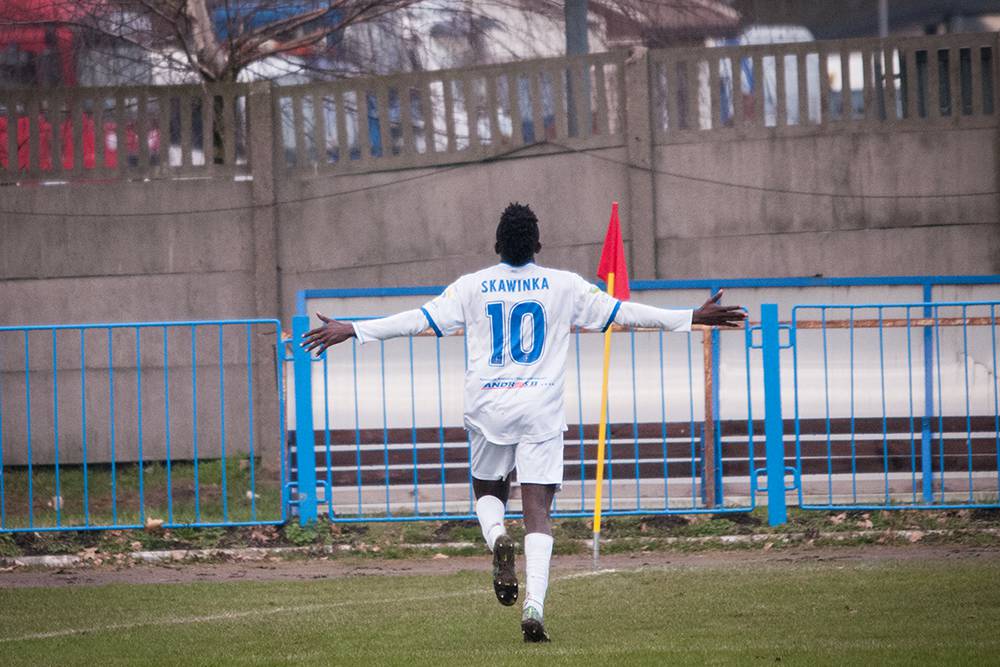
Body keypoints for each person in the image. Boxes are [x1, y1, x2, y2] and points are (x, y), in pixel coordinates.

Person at [301, 203, 745, 643]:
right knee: (538, 509)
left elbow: (417, 320)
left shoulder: (472, 287)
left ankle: (497, 540)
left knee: (487, 491)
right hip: (540, 411)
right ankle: (533, 605)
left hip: (488, 407)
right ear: (538, 244)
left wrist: (355, 329)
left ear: (496, 245)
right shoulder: (563, 285)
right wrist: (689, 317)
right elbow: (624, 312)